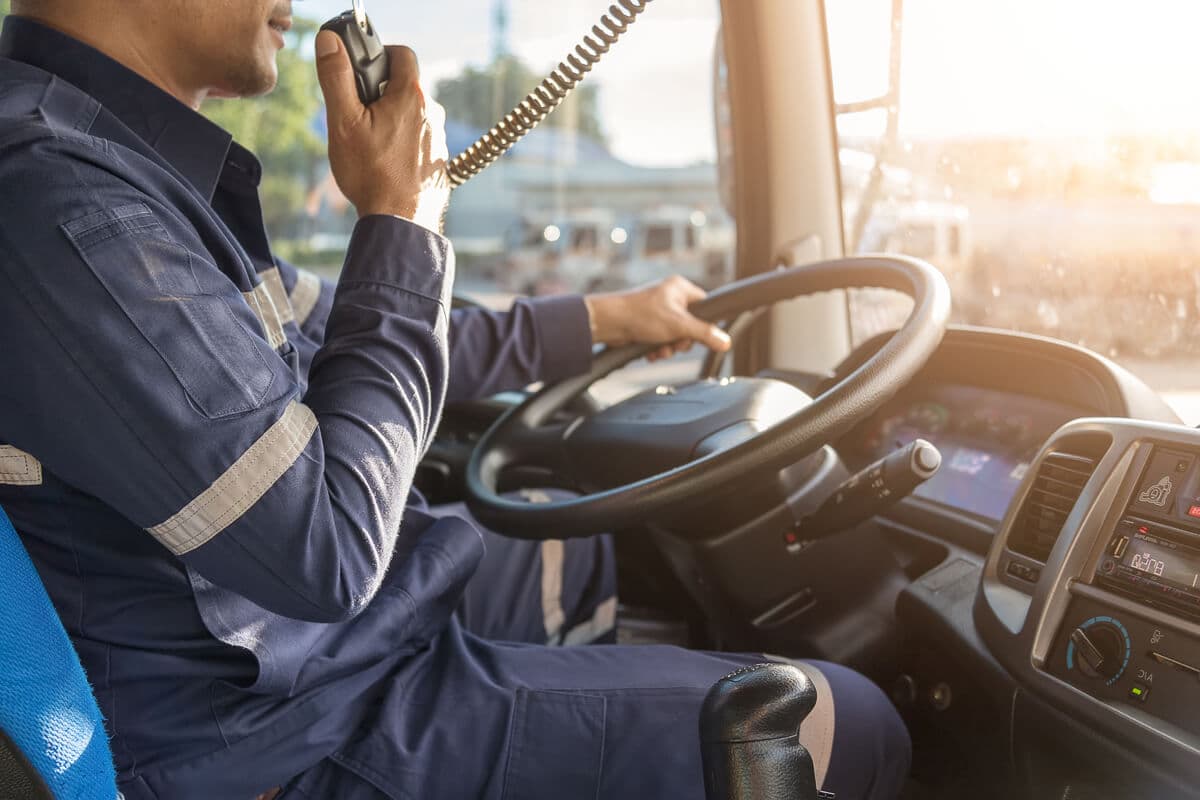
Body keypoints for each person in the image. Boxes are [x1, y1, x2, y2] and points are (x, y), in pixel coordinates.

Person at [0, 1, 911, 798]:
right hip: (276, 744)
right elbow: (328, 547)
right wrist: (402, 219)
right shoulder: (70, 208)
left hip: (311, 661)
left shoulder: (128, 177)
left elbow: (357, 334)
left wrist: (601, 317)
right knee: (845, 725)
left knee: (573, 538)